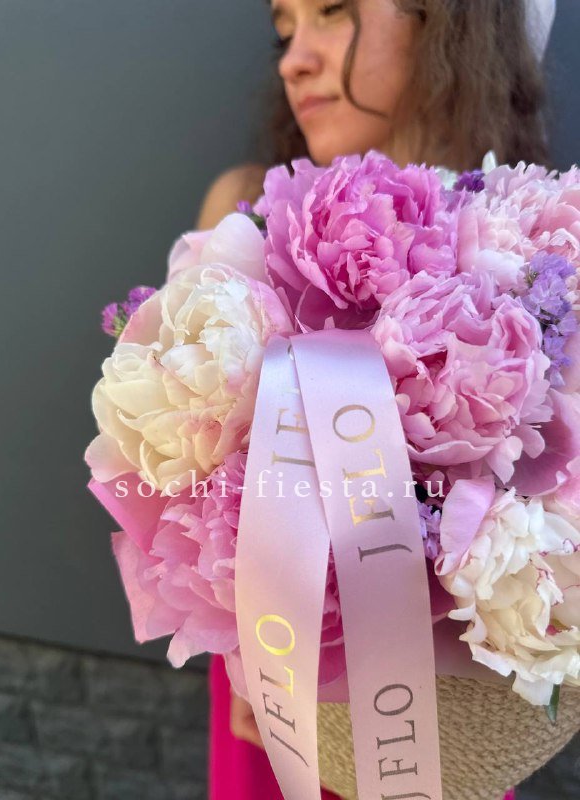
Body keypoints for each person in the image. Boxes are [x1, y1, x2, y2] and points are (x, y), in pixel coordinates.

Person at [196, 2, 555, 798]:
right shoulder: (243, 216)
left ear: (450, 24)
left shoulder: (540, 259)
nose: (293, 59)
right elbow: (181, 474)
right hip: (275, 687)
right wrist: (240, 639)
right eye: (284, 27)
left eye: (332, 11)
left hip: (446, 726)